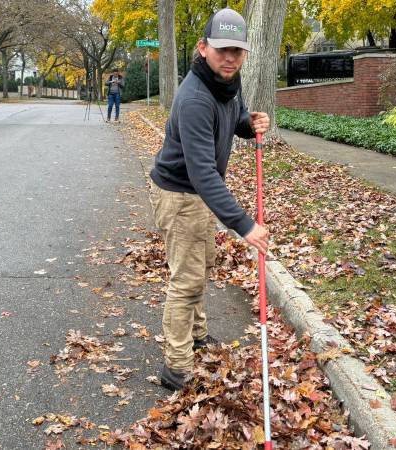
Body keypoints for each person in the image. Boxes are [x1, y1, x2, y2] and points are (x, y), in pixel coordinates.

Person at [149, 7, 270, 391]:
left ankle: (197, 336)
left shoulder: (227, 83)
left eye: (237, 50)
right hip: (179, 193)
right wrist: (244, 224)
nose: (231, 57)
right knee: (185, 280)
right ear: (203, 48)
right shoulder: (195, 98)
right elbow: (202, 173)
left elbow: (232, 119)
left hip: (199, 193)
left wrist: (249, 126)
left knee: (202, 267)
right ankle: (177, 367)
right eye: (222, 50)